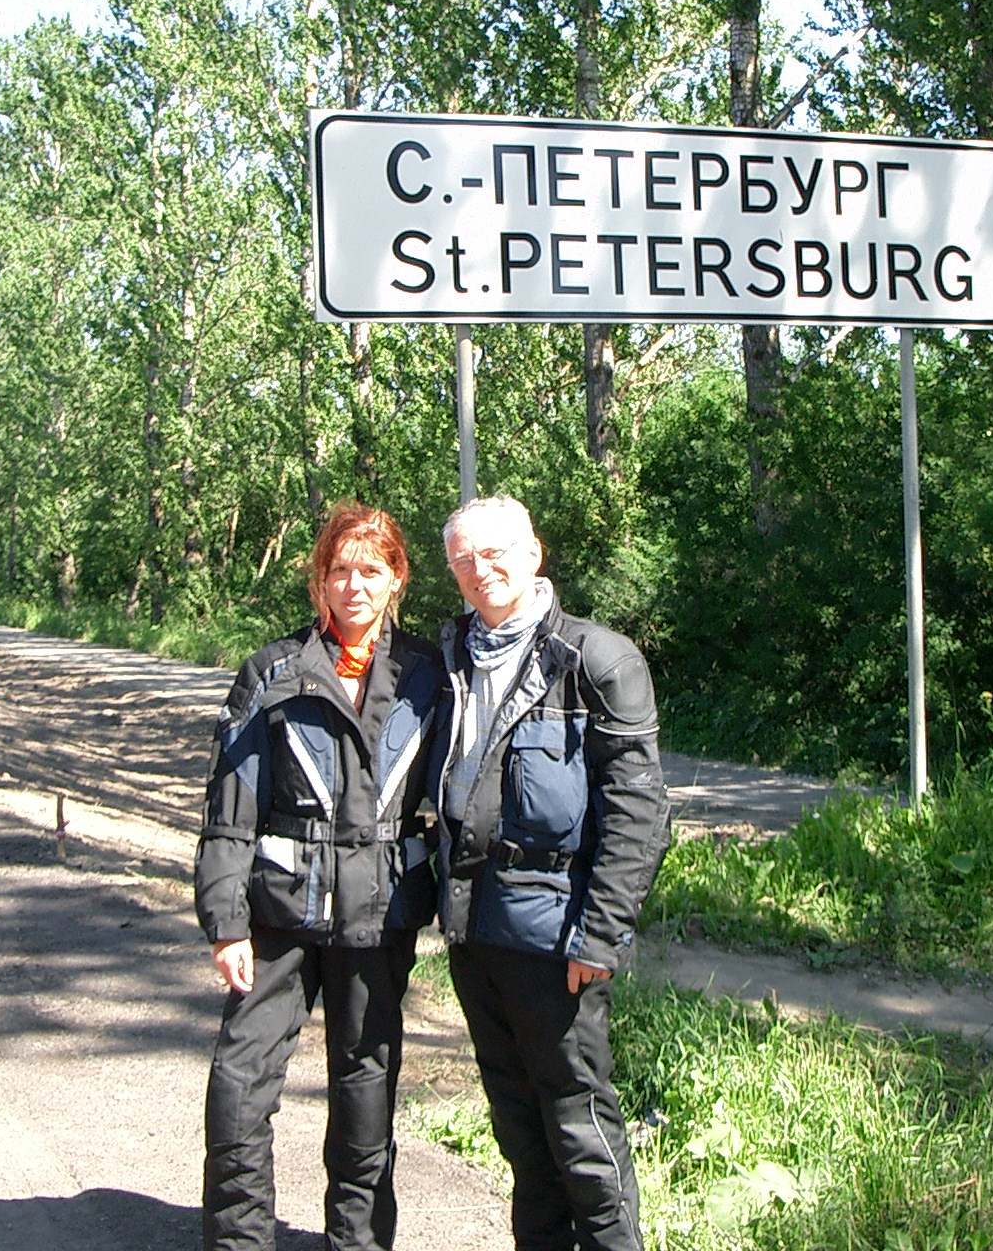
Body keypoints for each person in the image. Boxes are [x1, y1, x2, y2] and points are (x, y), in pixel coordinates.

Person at [195, 503, 446, 1251]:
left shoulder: (428, 675)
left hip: (379, 915)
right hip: (278, 913)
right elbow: (229, 807)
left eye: (371, 569)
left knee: (365, 1090)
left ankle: (359, 1242)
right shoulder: (273, 672)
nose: (354, 585)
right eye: (340, 570)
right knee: (240, 1083)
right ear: (319, 581)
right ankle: (240, 1240)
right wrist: (225, 921)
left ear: (396, 578)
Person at [433, 496, 669, 1251]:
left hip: (559, 939)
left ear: (534, 553)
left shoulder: (595, 660)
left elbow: (640, 816)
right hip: (474, 933)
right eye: (465, 559)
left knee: (579, 1128)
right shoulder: (446, 660)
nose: (482, 569)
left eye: (496, 552)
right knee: (518, 1130)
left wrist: (599, 938)